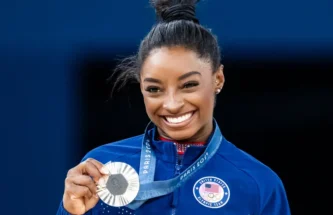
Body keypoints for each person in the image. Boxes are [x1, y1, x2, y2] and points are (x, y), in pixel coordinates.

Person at [56, 0, 291, 214]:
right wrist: (70, 212)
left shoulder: (259, 183)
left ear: (217, 79)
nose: (172, 104)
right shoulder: (100, 169)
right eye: (154, 89)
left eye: (188, 85)